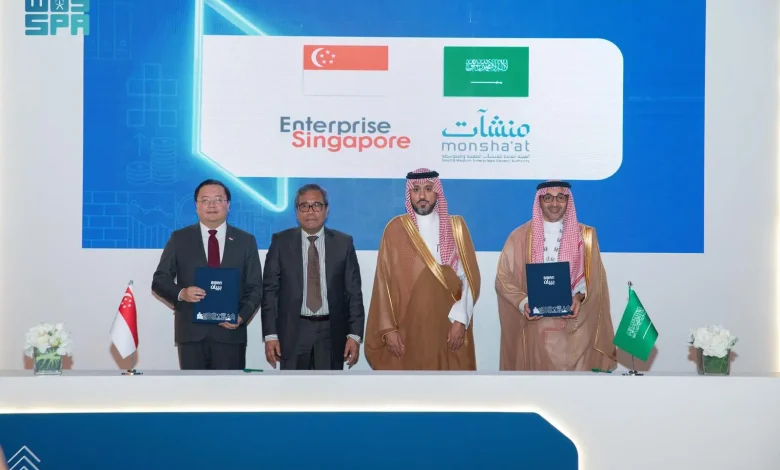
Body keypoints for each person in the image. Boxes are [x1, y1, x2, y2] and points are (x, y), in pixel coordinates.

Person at [364, 168, 480, 370]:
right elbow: (383, 283)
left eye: (428, 188)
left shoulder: (456, 227)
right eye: (416, 190)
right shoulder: (395, 229)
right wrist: (388, 329)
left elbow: (468, 279)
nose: (422, 196)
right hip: (408, 326)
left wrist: (460, 321)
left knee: (448, 382)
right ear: (409, 194)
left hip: (447, 323)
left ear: (437, 192)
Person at [495, 180, 617, 371]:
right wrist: (523, 303)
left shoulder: (586, 236)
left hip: (575, 330)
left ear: (568, 201)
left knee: (573, 387)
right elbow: (503, 278)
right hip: (536, 329)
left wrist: (579, 297)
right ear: (539, 200)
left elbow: (595, 279)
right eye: (548, 198)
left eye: (560, 198)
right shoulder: (519, 237)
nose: (554, 203)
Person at [152, 179, 263, 370]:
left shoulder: (245, 241)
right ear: (196, 206)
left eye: (218, 199)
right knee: (193, 389)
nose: (212, 205)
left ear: (228, 205)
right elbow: (160, 280)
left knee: (228, 389)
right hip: (192, 334)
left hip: (230, 333)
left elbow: (255, 286)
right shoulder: (180, 238)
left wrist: (241, 316)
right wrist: (182, 293)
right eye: (205, 200)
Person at [261, 183, 365, 370]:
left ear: (326, 210)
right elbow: (270, 292)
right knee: (292, 388)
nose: (310, 211)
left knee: (328, 388)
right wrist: (270, 335)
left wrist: (354, 335)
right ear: (297, 211)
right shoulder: (280, 242)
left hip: (331, 332)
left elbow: (353, 293)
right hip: (293, 331)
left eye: (316, 205)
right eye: (304, 206)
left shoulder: (343, 243)